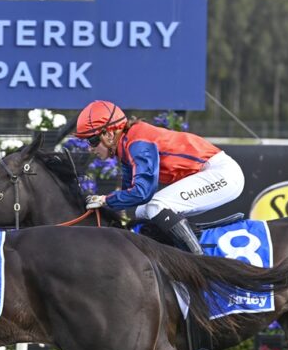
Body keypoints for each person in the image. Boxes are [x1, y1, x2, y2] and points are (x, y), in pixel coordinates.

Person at [73, 101, 245, 254]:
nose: (90, 148)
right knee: (143, 211)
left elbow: (142, 192)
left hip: (223, 174)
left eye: (92, 141)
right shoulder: (125, 146)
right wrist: (103, 204)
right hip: (212, 172)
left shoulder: (137, 142)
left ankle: (199, 262)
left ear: (109, 134)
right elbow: (130, 196)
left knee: (156, 206)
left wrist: (104, 200)